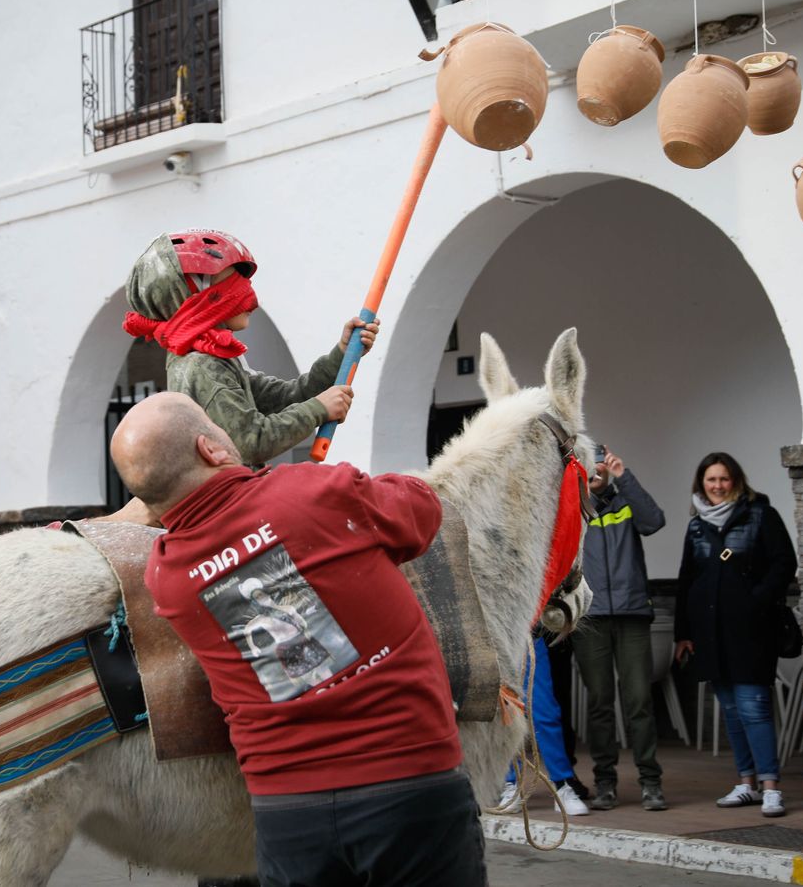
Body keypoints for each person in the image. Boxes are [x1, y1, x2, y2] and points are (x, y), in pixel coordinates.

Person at [111, 392, 486, 887]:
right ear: (211, 448)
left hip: (287, 816)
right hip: (407, 786)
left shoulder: (168, 577)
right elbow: (422, 511)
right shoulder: (315, 491)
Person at [122, 229, 377, 465]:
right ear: (192, 297)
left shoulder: (214, 357)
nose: (248, 295)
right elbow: (249, 442)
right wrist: (318, 410)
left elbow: (287, 396)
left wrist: (343, 353)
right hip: (225, 505)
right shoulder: (201, 365)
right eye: (230, 284)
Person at [674, 452, 796, 818]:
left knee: (754, 707)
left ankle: (771, 785)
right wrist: (684, 633)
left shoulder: (761, 515)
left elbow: (784, 563)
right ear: (701, 484)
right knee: (730, 709)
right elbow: (687, 580)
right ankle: (746, 783)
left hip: (752, 631)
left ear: (736, 481)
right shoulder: (697, 526)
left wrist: (755, 601)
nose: (717, 486)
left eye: (723, 479)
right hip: (709, 633)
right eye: (711, 480)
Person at [572, 442, 668, 812]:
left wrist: (624, 477)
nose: (596, 473)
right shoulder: (574, 509)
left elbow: (654, 521)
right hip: (590, 620)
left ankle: (651, 783)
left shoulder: (626, 501)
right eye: (589, 467)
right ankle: (605, 783)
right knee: (599, 704)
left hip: (631, 615)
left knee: (639, 701)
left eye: (601, 466)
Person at [496, 633, 591, 818]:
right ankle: (511, 785)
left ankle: (562, 784)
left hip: (530, 636)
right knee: (504, 713)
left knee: (546, 712)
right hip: (495, 637)